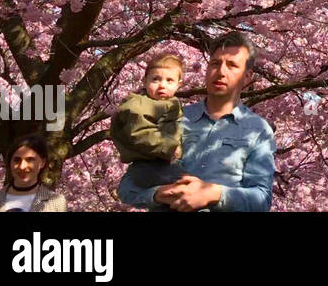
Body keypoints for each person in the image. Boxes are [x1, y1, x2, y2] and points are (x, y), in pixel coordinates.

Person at [117, 32, 276, 212]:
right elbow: (127, 187)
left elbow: (262, 200)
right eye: (215, 63)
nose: (221, 72)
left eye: (232, 65)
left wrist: (213, 194)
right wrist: (156, 194)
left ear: (247, 77)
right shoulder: (174, 118)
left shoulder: (258, 130)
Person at [110, 52, 186, 191]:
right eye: (156, 79)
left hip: (164, 163)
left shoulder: (172, 104)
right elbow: (140, 133)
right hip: (147, 166)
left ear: (179, 85)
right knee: (185, 187)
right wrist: (170, 147)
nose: (162, 85)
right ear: (145, 81)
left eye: (169, 80)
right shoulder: (138, 104)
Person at [0, 134, 68, 212]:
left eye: (30, 160)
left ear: (42, 162)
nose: (22, 167)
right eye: (17, 160)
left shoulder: (56, 202)